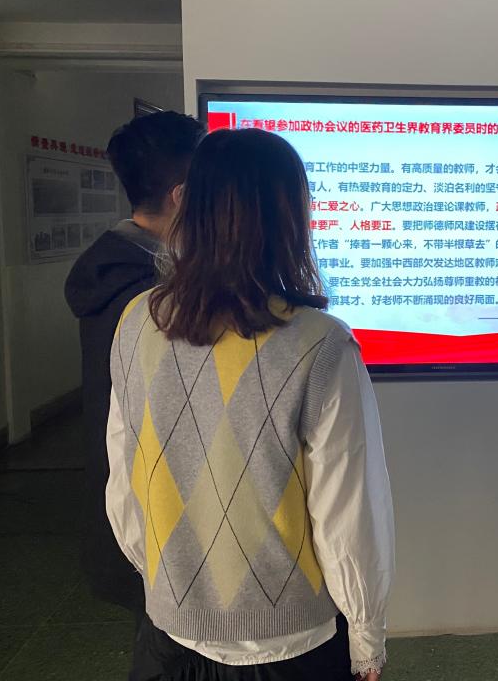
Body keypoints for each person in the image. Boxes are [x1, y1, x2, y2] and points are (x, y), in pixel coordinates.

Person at [105, 128, 394, 681]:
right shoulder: (320, 343)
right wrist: (366, 635)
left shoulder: (136, 322)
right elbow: (348, 513)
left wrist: (171, 584)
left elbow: (124, 481)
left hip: (168, 638)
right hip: (290, 644)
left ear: (191, 209)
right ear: (288, 220)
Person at [65, 111, 205, 615]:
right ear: (182, 196)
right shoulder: (149, 294)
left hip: (135, 506)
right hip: (153, 512)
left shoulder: (117, 270)